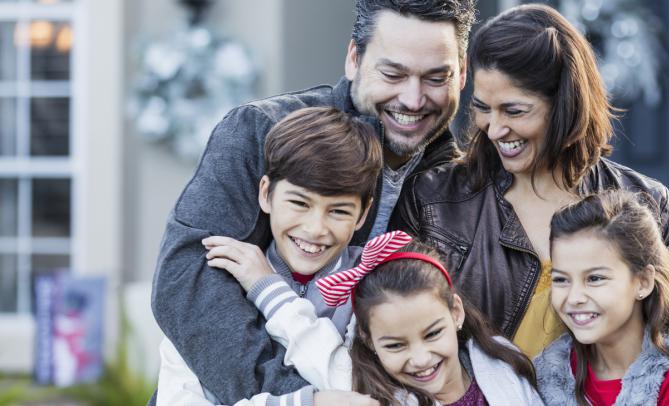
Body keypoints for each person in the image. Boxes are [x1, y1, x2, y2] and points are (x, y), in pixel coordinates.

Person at [150, 0, 476, 402]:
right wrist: (301, 398)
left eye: (435, 77)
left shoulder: (459, 187)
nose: (413, 99)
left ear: (461, 74)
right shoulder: (262, 131)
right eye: (393, 73)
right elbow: (186, 284)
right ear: (354, 59)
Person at [392, 3, 669, 359]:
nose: (495, 129)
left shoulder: (646, 203)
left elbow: (667, 346)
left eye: (515, 111)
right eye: (483, 107)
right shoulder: (432, 201)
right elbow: (395, 336)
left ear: (566, 105)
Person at [156, 107, 383, 405]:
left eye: (338, 211)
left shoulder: (374, 285)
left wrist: (270, 292)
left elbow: (360, 391)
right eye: (300, 203)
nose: (316, 229)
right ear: (266, 194)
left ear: (363, 213)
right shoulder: (217, 278)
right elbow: (178, 397)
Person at [245, 231, 544, 405]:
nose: (420, 358)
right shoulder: (365, 389)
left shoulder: (501, 363)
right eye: (395, 346)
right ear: (368, 338)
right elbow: (305, 336)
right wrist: (263, 282)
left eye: (432, 334)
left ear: (455, 312)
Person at [534, 190, 669, 406]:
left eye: (595, 278)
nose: (574, 297)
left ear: (643, 281)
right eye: (561, 280)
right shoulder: (548, 374)